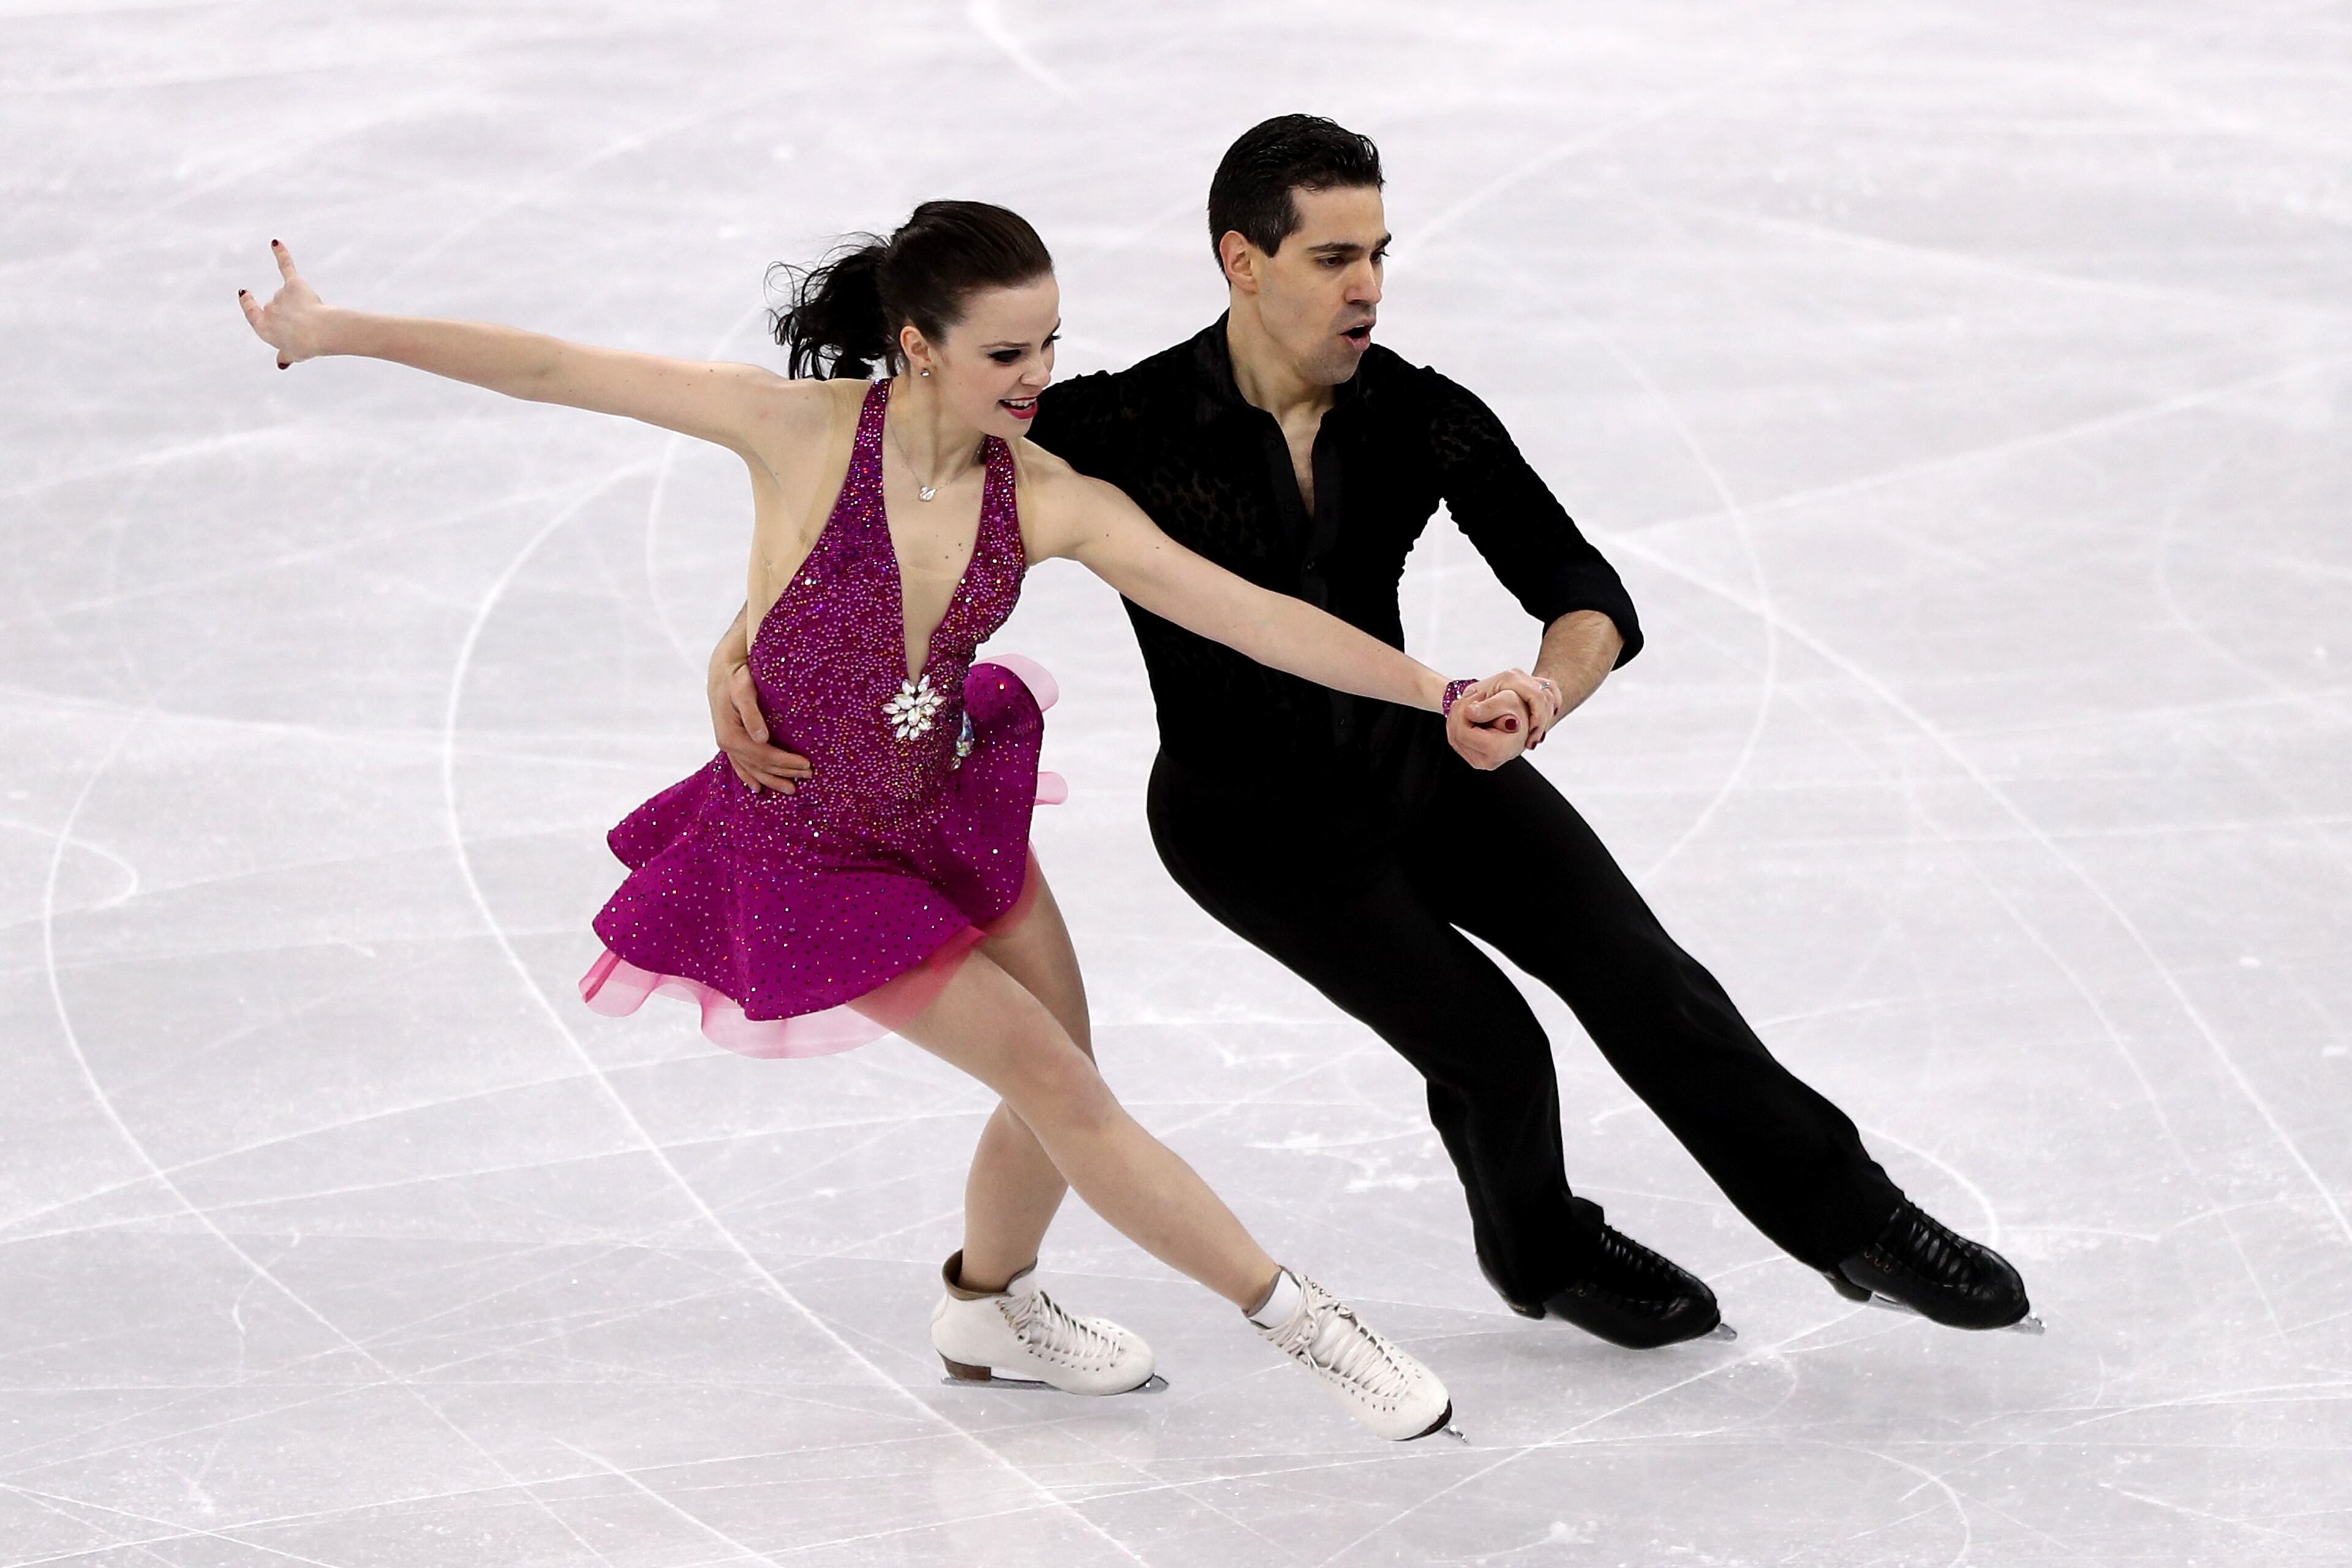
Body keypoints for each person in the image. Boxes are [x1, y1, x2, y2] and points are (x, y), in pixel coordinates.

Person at [236, 202, 1553, 1441]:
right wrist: (338, 327)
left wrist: (1437, 689)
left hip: (945, 803)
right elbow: (550, 368)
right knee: (1060, 1086)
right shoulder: (797, 433)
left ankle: (988, 1306)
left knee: (1063, 1082)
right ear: (916, 345)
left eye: (1049, 343)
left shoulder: (1044, 496)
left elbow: (1250, 615)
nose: (1035, 376)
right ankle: (1309, 1326)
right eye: (1004, 350)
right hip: (812, 851)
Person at [714, 116, 2040, 1345]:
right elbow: (898, 504)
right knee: (1492, 1044)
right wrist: (746, 640)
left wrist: (1544, 690)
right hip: (1254, 825)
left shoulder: (1418, 413)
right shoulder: (1110, 426)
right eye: (1335, 256)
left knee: (1645, 974)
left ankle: (1857, 1220)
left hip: (1426, 763)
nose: (1369, 286)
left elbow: (1582, 586)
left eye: (1381, 254)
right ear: (1244, 259)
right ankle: (1543, 1250)